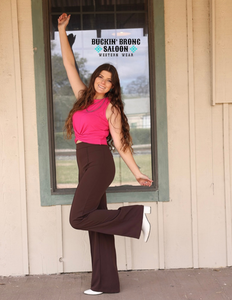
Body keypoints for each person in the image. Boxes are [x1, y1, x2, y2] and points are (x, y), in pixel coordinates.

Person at [58, 13, 153, 295]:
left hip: (99, 162)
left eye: (108, 80)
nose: (102, 82)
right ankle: (105, 284)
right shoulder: (82, 97)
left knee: (79, 217)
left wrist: (137, 173)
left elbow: (121, 143)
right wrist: (62, 30)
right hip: (84, 162)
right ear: (95, 77)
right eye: (100, 76)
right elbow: (67, 62)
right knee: (96, 224)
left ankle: (136, 217)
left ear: (113, 86)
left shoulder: (110, 108)